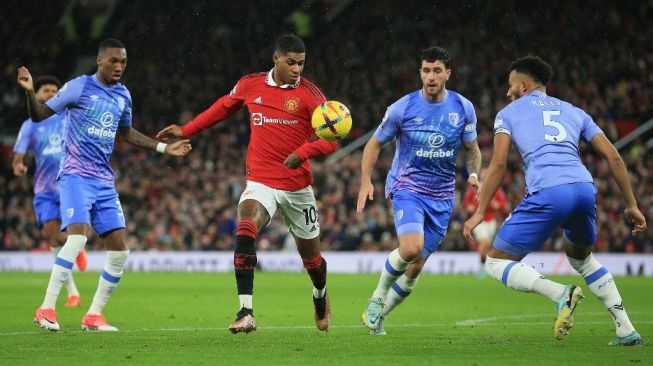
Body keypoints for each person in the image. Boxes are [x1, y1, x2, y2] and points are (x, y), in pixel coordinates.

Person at [156, 34, 337, 333]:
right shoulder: (250, 84)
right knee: (245, 226)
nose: (296, 69)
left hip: (297, 187)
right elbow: (221, 109)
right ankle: (246, 311)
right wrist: (187, 129)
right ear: (275, 58)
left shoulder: (311, 95)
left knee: (313, 261)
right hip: (261, 179)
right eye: (290, 62)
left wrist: (303, 152)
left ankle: (320, 295)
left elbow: (332, 140)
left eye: (301, 63)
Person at [463, 55, 646, 346]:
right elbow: (612, 155)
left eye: (511, 86)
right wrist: (631, 204)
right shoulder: (575, 111)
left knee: (495, 264)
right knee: (582, 258)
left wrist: (479, 212)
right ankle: (626, 329)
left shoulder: (507, 113)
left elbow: (498, 165)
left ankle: (560, 293)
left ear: (524, 86)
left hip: (548, 190)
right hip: (585, 189)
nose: (507, 92)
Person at [17, 38, 191, 332]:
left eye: (123, 62)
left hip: (104, 181)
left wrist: (163, 148)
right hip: (75, 175)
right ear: (99, 61)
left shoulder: (123, 95)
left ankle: (93, 316)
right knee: (77, 239)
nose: (119, 67)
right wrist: (28, 94)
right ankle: (46, 308)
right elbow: (39, 115)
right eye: (113, 61)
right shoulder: (78, 86)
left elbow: (128, 133)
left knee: (120, 252)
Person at [357, 46, 482, 335]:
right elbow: (374, 144)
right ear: (420, 73)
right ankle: (377, 298)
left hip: (442, 195)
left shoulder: (463, 108)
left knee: (415, 267)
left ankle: (380, 315)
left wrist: (474, 173)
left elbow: (472, 149)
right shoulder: (403, 107)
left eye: (437, 70)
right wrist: (366, 180)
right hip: (407, 186)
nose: (431, 76)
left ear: (448, 73)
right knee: (411, 248)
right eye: (426, 70)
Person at [12, 75, 88, 308]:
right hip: (44, 189)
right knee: (53, 238)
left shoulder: (69, 116)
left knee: (59, 242)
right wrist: (19, 165)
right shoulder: (30, 124)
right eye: (45, 90)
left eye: (54, 90)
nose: (50, 94)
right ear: (37, 94)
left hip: (70, 186)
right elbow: (18, 155)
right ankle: (76, 251)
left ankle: (72, 292)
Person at [462, 167, 510, 278]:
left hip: (491, 220)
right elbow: (466, 202)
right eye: (483, 174)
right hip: (478, 221)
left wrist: (496, 204)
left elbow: (503, 205)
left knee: (486, 245)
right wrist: (468, 207)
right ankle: (482, 268)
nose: (485, 176)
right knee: (484, 241)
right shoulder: (475, 188)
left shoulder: (496, 189)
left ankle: (484, 266)